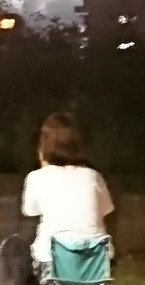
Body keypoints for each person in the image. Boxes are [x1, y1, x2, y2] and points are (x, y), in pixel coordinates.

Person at [21, 112, 115, 271]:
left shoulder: (37, 177)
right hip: (95, 263)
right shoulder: (93, 176)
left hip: (52, 261)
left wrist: (45, 166)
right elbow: (107, 209)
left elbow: (29, 211)